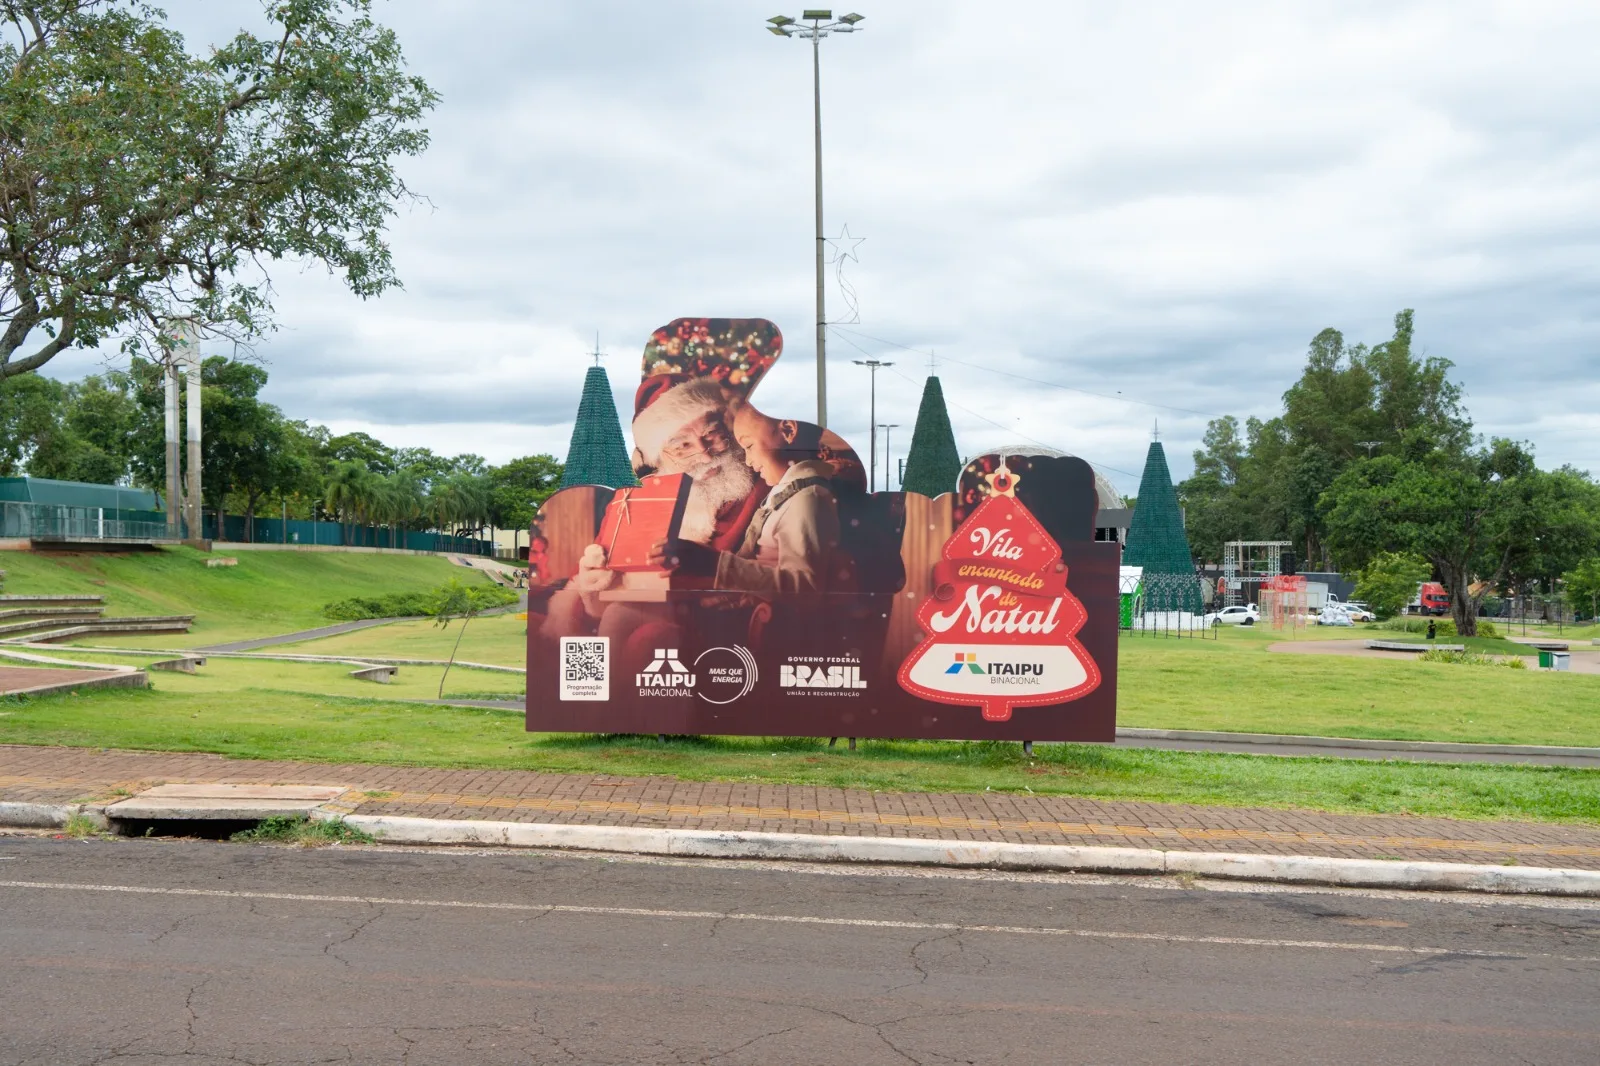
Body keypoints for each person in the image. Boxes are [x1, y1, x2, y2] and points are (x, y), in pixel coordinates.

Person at [648, 401, 840, 598]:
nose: (747, 461)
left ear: (789, 431)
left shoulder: (808, 498)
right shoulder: (785, 494)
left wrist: (714, 565)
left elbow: (806, 589)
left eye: (748, 445)